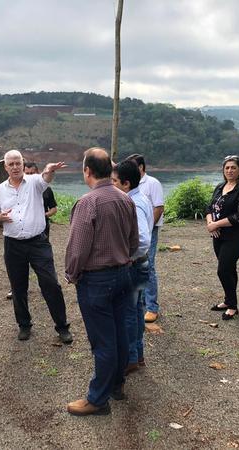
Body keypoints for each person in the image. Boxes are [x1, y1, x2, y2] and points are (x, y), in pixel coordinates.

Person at [65, 148, 138, 416]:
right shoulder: (125, 198)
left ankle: (97, 399)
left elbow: (77, 249)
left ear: (87, 171)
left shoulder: (88, 202)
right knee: (119, 334)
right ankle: (117, 385)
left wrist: (71, 274)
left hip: (97, 280)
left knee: (103, 341)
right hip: (123, 274)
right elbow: (134, 241)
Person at [0, 150, 73, 343]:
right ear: (6, 167)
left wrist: (50, 170)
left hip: (38, 243)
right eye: (11, 164)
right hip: (13, 244)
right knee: (18, 287)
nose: (15, 167)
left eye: (18, 163)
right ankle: (24, 325)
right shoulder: (0, 190)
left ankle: (62, 326)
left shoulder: (35, 181)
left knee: (51, 284)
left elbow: (46, 178)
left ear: (22, 163)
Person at [111, 160, 153, 374]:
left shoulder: (133, 203)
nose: (111, 184)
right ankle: (137, 353)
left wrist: (125, 257)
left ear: (126, 184)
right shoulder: (137, 197)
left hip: (134, 264)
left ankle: (130, 358)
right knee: (136, 310)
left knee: (129, 312)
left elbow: (143, 240)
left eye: (115, 181)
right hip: (140, 263)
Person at [205, 155, 239, 320]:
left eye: (233, 167)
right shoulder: (220, 186)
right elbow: (209, 207)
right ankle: (228, 301)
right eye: (227, 168)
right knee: (229, 268)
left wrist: (216, 224)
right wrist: (211, 223)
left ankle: (233, 306)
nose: (230, 170)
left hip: (237, 236)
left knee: (223, 270)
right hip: (218, 236)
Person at [5, 161, 58, 300]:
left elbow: (54, 209)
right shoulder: (17, 189)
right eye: (26, 173)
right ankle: (16, 288)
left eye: (31, 173)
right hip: (19, 236)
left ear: (38, 173)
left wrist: (43, 214)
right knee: (19, 267)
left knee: (42, 263)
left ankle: (46, 286)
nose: (28, 175)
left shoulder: (45, 188)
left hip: (41, 232)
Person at [127, 154, 164, 323]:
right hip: (135, 231)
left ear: (141, 167)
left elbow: (158, 207)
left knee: (149, 266)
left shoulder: (152, 183)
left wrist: (148, 229)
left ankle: (152, 307)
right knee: (137, 265)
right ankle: (140, 303)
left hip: (150, 230)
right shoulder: (130, 184)